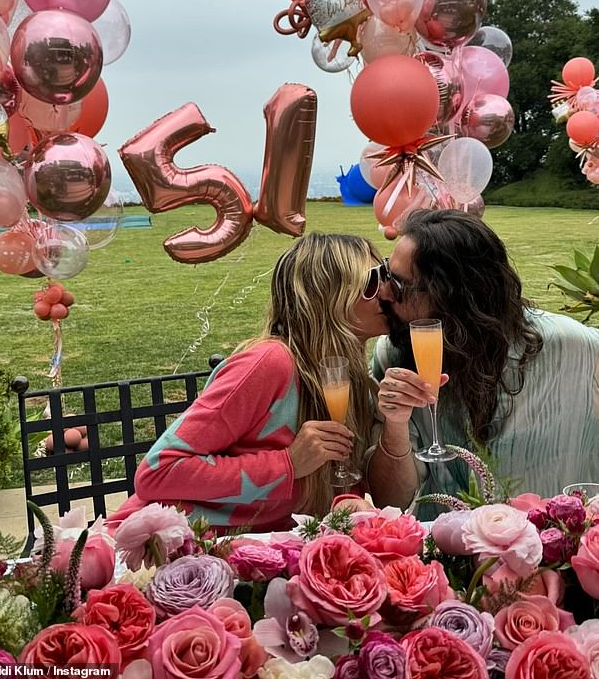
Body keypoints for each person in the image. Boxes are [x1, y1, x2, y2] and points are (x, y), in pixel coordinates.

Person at [107, 232, 391, 534]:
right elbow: (157, 471)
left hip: (257, 560)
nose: (387, 292)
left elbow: (327, 482)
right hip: (157, 552)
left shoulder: (352, 380)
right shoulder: (270, 364)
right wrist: (287, 464)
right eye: (373, 282)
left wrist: (346, 501)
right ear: (329, 296)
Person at [367, 208, 599, 519]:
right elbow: (391, 501)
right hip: (447, 556)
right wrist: (395, 425)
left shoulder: (575, 348)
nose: (382, 292)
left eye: (397, 284)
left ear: (452, 296)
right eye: (385, 272)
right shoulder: (395, 358)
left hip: (552, 552)